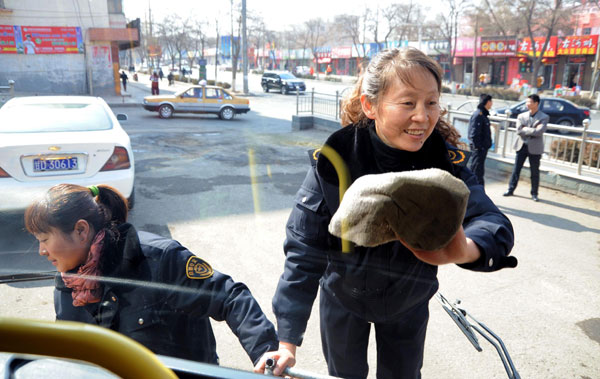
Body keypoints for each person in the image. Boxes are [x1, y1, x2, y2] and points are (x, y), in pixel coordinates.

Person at [255, 48, 516, 378]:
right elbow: (303, 251)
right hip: (342, 300)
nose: (422, 116)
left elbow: (493, 223)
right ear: (370, 105)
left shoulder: (446, 163)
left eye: (431, 103)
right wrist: (287, 340)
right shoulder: (336, 160)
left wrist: (466, 249)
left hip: (409, 303)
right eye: (408, 103)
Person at [25, 184, 279, 367]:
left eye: (45, 239)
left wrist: (266, 353)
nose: (41, 251)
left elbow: (230, 298)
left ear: (81, 230)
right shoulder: (70, 279)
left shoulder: (159, 260)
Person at [503, 94, 549, 202]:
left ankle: (534, 193)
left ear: (536, 103)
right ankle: (510, 189)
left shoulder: (544, 117)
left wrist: (526, 129)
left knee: (534, 172)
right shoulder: (521, 116)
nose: (527, 104)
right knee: (516, 170)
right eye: (526, 102)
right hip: (521, 146)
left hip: (535, 148)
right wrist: (531, 130)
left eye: (530, 102)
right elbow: (519, 130)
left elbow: (539, 131)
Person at [467, 93, 493, 186]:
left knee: (478, 171)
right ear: (488, 102)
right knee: (476, 172)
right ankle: (476, 193)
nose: (492, 104)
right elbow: (474, 134)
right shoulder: (478, 114)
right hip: (478, 150)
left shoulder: (483, 114)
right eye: (491, 101)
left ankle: (476, 192)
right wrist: (478, 148)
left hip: (481, 149)